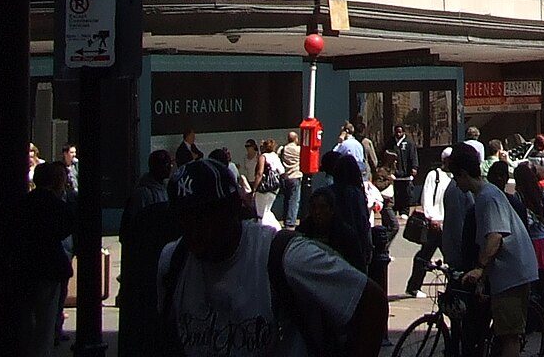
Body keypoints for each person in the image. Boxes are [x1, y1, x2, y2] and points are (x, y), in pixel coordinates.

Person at [158, 157, 386, 357]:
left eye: (204, 218)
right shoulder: (173, 261)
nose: (194, 231)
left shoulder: (284, 256)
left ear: (232, 210)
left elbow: (371, 302)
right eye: (185, 220)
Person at [448, 144, 540, 357]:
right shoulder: (485, 195)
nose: (456, 183)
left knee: (509, 335)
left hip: (512, 275)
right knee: (501, 331)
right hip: (505, 274)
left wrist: (480, 268)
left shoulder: (488, 197)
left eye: (456, 177)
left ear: (464, 174)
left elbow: (495, 237)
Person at [117, 152, 180, 357]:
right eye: (165, 163)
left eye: (170, 163)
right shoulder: (143, 194)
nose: (169, 167)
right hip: (146, 263)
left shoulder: (162, 190)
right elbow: (133, 232)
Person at [16, 161, 74, 357]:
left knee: (26, 318)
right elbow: (67, 227)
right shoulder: (57, 205)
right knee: (46, 321)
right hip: (49, 266)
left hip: (25, 266)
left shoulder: (24, 203)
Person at [511, 160, 544, 335]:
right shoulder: (543, 193)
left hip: (529, 241)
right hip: (543, 241)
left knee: (529, 283)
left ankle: (531, 320)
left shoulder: (518, 197)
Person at [405, 147, 454, 298]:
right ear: (445, 160)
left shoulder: (455, 177)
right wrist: (432, 217)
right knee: (425, 255)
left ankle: (453, 287)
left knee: (451, 257)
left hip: (448, 223)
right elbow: (426, 197)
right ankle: (414, 287)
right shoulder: (434, 175)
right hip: (435, 223)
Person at [367, 165, 400, 302]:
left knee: (388, 227)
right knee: (394, 226)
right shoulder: (382, 172)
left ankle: (383, 249)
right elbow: (378, 186)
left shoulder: (391, 171)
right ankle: (382, 248)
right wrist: (389, 181)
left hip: (386, 205)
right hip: (385, 206)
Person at [277, 129, 303, 227]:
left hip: (285, 177)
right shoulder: (299, 149)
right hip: (295, 175)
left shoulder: (283, 149)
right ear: (296, 139)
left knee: (286, 199)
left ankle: (285, 219)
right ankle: (290, 221)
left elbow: (277, 156)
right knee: (294, 200)